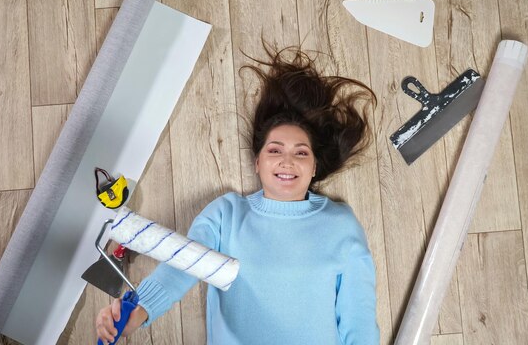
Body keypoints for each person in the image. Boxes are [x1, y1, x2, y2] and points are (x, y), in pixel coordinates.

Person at [96, 45, 380, 344]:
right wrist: (137, 311)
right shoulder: (226, 215)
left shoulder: (340, 225)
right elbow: (180, 267)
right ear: (257, 162)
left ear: (314, 168)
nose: (287, 160)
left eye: (301, 152)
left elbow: (358, 318)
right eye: (275, 150)